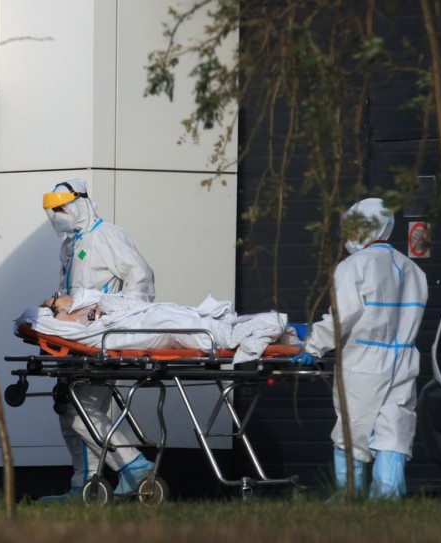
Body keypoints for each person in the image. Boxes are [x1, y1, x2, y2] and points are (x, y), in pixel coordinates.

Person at [292, 197, 428, 499]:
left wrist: (312, 346)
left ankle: (348, 497)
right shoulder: (413, 271)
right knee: (394, 429)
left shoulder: (353, 266)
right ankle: (387, 499)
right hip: (403, 360)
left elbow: (342, 317)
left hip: (363, 361)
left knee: (352, 432)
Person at [40, 178, 156, 501]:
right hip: (80, 341)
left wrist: (108, 314)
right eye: (53, 211)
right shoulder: (71, 245)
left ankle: (135, 466)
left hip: (101, 340)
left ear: (80, 203)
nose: (57, 215)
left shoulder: (106, 237)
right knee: (70, 411)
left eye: (61, 208)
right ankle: (85, 486)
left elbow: (142, 280)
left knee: (82, 412)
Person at [26, 289, 289, 363]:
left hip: (151, 315)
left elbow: (126, 304)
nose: (63, 293)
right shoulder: (69, 321)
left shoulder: (86, 299)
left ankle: (248, 329)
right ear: (56, 310)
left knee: (179, 318)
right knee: (173, 324)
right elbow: (48, 321)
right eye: (57, 296)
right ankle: (242, 333)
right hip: (152, 325)